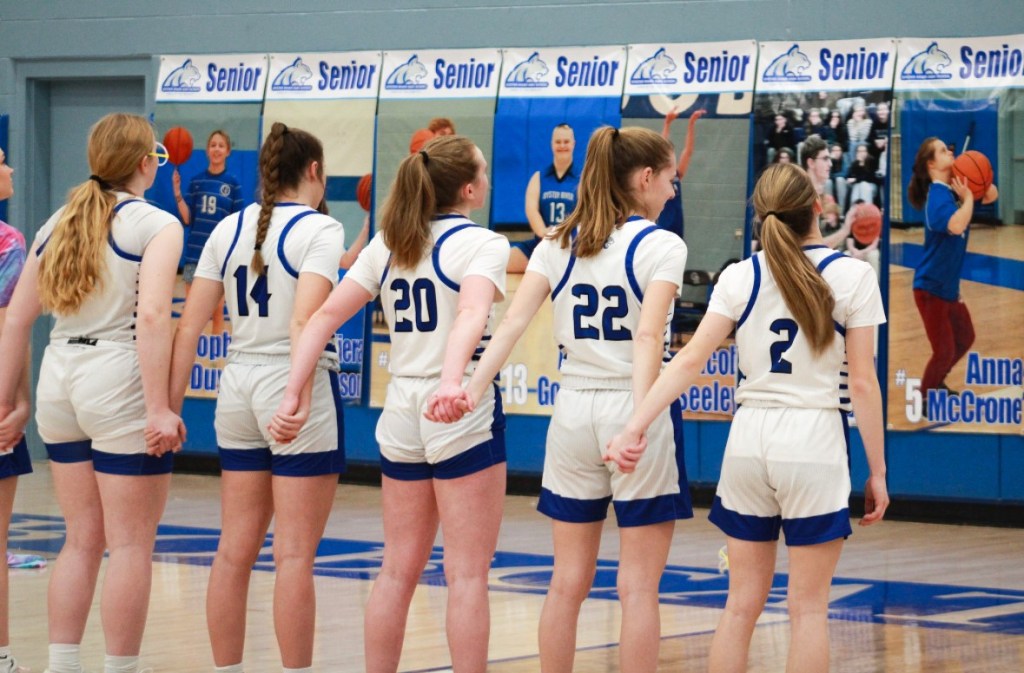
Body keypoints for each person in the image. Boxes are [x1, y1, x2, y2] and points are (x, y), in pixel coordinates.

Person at [606, 162, 889, 673]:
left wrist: (634, 425)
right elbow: (864, 383)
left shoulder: (741, 275)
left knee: (739, 607)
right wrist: (879, 472)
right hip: (814, 437)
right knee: (808, 610)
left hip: (749, 439)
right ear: (818, 208)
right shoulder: (853, 275)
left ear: (760, 214)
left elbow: (688, 361)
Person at [430, 126, 690, 673]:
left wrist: (470, 390)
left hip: (572, 411)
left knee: (566, 582)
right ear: (645, 178)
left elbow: (510, 325)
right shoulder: (663, 244)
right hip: (633, 405)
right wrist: (638, 425)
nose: (672, 191)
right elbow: (648, 338)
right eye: (671, 179)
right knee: (638, 588)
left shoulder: (556, 242)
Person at [270, 135, 509, 673]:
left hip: (400, 406)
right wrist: (452, 382)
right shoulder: (483, 243)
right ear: (468, 189)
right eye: (483, 172)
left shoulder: (387, 244)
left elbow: (323, 318)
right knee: (467, 575)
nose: (489, 180)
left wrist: (291, 394)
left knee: (397, 570)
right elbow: (471, 315)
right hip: (455, 406)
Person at [0, 113, 184, 673]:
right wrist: (159, 406)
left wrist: (6, 403)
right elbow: (152, 316)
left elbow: (15, 321)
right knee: (130, 545)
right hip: (117, 374)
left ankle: (61, 666)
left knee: (80, 540)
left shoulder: (57, 220)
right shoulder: (156, 224)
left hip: (60, 376)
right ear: (145, 163)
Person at [166, 122, 345, 673]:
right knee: (293, 556)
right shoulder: (322, 228)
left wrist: (168, 410)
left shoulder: (227, 227)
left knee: (233, 549)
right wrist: (295, 395)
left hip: (237, 382)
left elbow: (188, 326)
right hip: (292, 381)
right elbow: (304, 322)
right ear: (314, 171)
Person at [906, 137, 998, 416]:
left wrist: (977, 179)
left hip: (948, 287)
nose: (951, 153)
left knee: (966, 337)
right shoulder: (937, 197)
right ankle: (924, 397)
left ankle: (937, 381)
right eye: (944, 151)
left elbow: (991, 194)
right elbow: (956, 225)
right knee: (944, 349)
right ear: (932, 164)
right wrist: (969, 198)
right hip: (930, 287)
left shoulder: (955, 189)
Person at [0, 146, 32, 673]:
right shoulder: (8, 242)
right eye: (1, 160)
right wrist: (18, 400)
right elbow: (10, 326)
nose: (8, 168)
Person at [172, 129, 245, 335]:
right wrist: (177, 194)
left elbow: (238, 223)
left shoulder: (233, 184)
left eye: (221, 145)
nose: (216, 149)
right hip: (194, 255)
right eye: (213, 145)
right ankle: (188, 352)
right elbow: (187, 219)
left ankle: (216, 351)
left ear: (228, 151)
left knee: (217, 310)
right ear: (207, 150)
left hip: (219, 256)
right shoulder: (196, 182)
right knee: (190, 311)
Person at [508, 123, 578, 273]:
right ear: (552, 144)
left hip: (572, 245)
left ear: (573, 144)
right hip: (543, 243)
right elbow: (531, 209)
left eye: (566, 142)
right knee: (504, 261)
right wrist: (543, 231)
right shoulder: (539, 177)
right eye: (558, 142)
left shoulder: (583, 178)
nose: (562, 146)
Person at [657, 108, 704, 239]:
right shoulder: (660, 176)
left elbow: (688, 151)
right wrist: (667, 123)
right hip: (663, 229)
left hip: (678, 228)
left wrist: (691, 123)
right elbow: (660, 149)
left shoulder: (677, 175)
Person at [800, 135, 852, 248]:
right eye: (825, 159)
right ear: (811, 163)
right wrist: (845, 230)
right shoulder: (802, 198)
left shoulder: (821, 196)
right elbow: (811, 248)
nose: (830, 164)